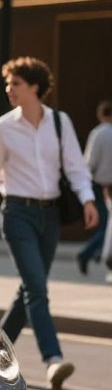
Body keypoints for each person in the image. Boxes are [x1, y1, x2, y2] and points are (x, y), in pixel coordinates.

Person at [0, 57, 97, 390]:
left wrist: (88, 199)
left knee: (29, 291)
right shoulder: (2, 127)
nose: (8, 89)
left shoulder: (60, 122)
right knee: (37, 290)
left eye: (15, 83)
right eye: (8, 83)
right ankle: (53, 360)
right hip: (16, 214)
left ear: (34, 87)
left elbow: (74, 166)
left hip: (50, 215)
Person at [77, 99, 112, 277]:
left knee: (106, 224)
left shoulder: (98, 134)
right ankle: (94, 254)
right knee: (107, 225)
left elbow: (89, 162)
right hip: (105, 184)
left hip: (98, 183)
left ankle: (94, 254)